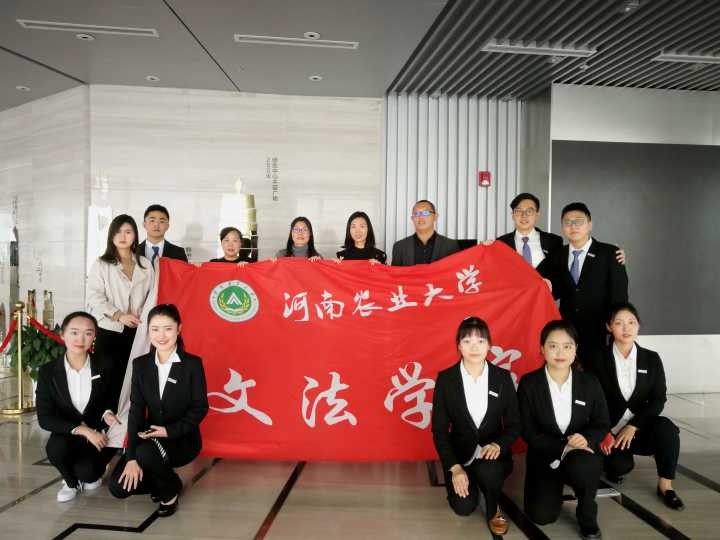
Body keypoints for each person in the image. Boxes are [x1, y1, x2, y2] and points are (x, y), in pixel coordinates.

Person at [109, 304, 209, 516]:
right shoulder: (141, 365)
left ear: (179, 329)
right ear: (148, 331)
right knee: (118, 488)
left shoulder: (192, 365)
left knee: (146, 452)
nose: (161, 336)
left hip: (182, 439)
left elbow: (200, 408)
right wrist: (130, 458)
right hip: (150, 437)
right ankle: (168, 480)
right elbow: (136, 412)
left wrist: (169, 431)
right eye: (155, 329)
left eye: (168, 329)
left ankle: (169, 493)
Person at [517, 320, 610, 540]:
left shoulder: (589, 382)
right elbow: (526, 429)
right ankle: (553, 491)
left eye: (567, 346)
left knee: (585, 466)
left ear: (575, 349)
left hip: (581, 453)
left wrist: (586, 439)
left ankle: (587, 512)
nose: (560, 352)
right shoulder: (529, 383)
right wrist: (562, 446)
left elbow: (602, 422)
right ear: (542, 348)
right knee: (541, 516)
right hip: (544, 456)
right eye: (553, 346)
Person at [585, 303, 683, 510]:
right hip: (610, 431)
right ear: (609, 327)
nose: (626, 328)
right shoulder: (597, 358)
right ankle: (612, 466)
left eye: (631, 322)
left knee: (667, 429)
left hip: (639, 428)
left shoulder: (651, 358)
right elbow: (591, 399)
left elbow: (658, 399)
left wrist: (633, 425)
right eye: (619, 323)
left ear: (638, 325)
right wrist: (602, 430)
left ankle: (665, 486)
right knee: (619, 466)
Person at [432, 317, 520, 536]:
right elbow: (440, 431)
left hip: (493, 457)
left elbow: (514, 424)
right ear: (458, 346)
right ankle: (469, 482)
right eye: (467, 341)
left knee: (488, 470)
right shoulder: (446, 379)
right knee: (463, 508)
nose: (474, 347)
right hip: (461, 457)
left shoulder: (502, 378)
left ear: (489, 345)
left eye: (480, 341)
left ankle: (493, 504)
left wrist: (498, 444)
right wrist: (454, 468)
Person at [35, 311, 121, 502]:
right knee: (55, 449)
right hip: (68, 432)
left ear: (94, 336)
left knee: (89, 475)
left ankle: (84, 473)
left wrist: (108, 413)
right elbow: (45, 418)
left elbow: (112, 400)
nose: (80, 339)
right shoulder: (48, 372)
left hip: (99, 435)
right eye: (74, 332)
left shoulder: (105, 365)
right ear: (62, 334)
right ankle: (70, 482)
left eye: (88, 333)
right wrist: (83, 430)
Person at [538, 202, 628, 364]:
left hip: (600, 333)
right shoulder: (557, 256)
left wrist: (616, 330)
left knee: (598, 375)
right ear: (562, 226)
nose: (573, 226)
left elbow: (619, 296)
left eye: (578, 221)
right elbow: (537, 282)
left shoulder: (610, 254)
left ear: (590, 224)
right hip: (567, 334)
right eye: (567, 222)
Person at [87, 214, 154, 409]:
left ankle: (129, 420)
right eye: (118, 232)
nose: (123, 236)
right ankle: (106, 420)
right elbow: (94, 296)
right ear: (111, 235)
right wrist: (119, 315)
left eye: (128, 232)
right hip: (110, 331)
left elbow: (152, 294)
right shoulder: (101, 264)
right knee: (108, 378)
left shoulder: (145, 264)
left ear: (135, 235)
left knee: (134, 378)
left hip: (138, 331)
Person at [498, 193, 626, 269]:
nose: (524, 215)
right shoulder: (500, 243)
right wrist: (488, 248)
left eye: (529, 211)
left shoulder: (553, 241)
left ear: (537, 215)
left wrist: (613, 256)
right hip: (512, 302)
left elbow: (572, 258)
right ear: (512, 215)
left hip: (543, 302)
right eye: (518, 211)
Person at [391, 200, 459, 266]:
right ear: (412, 219)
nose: (421, 217)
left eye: (425, 213)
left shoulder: (450, 246)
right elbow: (395, 273)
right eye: (416, 214)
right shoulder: (399, 247)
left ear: (435, 216)